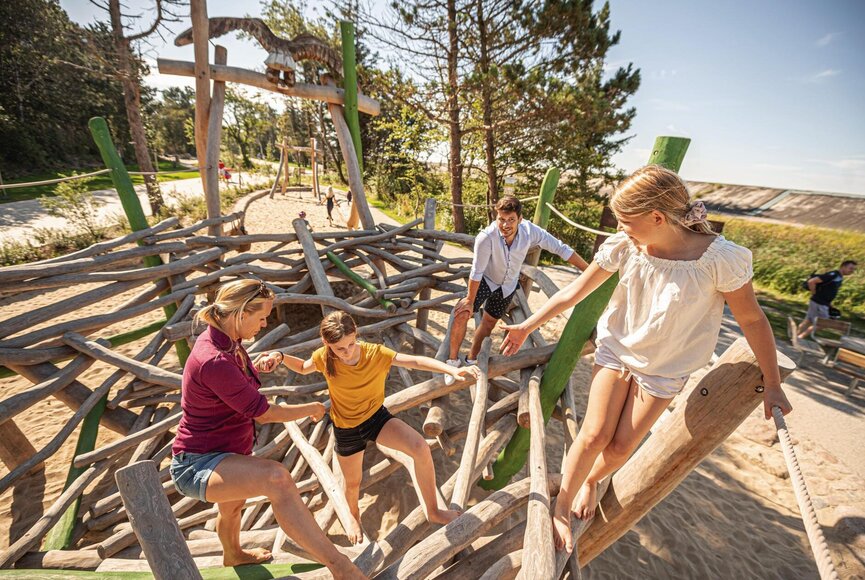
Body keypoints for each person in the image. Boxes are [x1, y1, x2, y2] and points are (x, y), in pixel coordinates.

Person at [499, 165, 793, 552]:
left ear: (657, 217)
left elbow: (753, 320)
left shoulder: (720, 259)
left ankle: (593, 479)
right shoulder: (626, 246)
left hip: (665, 367)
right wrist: (526, 326)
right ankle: (562, 506)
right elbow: (574, 292)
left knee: (620, 448)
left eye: (626, 221)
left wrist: (773, 383)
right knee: (595, 434)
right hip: (618, 349)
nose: (621, 228)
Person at [170, 279, 364, 578]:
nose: (264, 324)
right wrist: (312, 408)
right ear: (241, 313)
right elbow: (264, 413)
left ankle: (233, 554)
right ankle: (340, 566)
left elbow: (230, 386)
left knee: (232, 507)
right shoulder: (215, 359)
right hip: (197, 464)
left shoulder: (227, 342)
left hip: (225, 453)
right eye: (261, 317)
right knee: (277, 478)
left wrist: (252, 371)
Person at [282, 311, 481, 544]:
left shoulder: (374, 353)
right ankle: (354, 517)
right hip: (347, 429)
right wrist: (280, 356)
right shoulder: (324, 357)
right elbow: (302, 367)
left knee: (420, 448)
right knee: (353, 483)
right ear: (326, 343)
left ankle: (433, 510)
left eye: (351, 344)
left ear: (356, 334)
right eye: (340, 349)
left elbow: (414, 361)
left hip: (376, 418)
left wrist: (451, 370)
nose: (347, 352)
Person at [444, 195, 589, 385]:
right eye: (501, 219)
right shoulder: (486, 237)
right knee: (462, 313)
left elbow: (561, 249)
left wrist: (590, 270)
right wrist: (470, 300)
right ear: (496, 217)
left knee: (488, 323)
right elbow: (477, 272)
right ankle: (452, 361)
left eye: (511, 220)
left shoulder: (530, 231)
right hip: (486, 280)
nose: (505, 225)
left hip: (508, 286)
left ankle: (472, 358)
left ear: (520, 219)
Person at [797, 260, 857, 339]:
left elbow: (828, 290)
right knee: (824, 323)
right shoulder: (833, 275)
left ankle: (795, 336)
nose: (852, 271)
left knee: (809, 320)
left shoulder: (839, 277)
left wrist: (829, 304)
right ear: (843, 266)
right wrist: (814, 293)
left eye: (854, 269)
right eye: (851, 268)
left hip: (822, 302)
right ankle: (800, 336)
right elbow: (811, 281)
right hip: (819, 302)